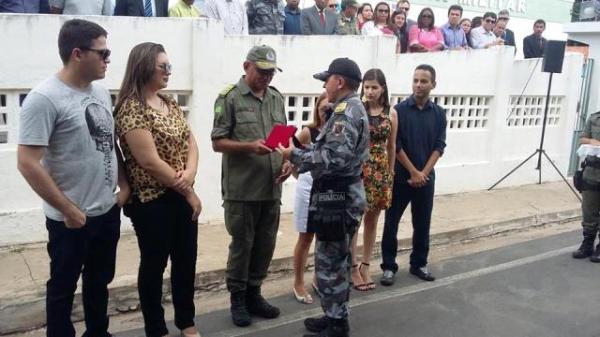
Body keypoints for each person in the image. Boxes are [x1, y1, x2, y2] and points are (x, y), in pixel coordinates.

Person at [17, 19, 128, 337]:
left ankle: (98, 332)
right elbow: (27, 162)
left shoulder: (102, 92)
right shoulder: (44, 98)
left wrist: (124, 186)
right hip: (70, 219)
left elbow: (109, 143)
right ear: (78, 53)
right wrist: (67, 209)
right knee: (63, 287)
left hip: (107, 211)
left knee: (99, 281)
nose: (108, 59)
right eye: (103, 53)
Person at [114, 42, 202, 337]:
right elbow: (149, 161)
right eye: (162, 66)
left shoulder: (170, 102)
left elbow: (191, 142)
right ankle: (155, 327)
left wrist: (189, 174)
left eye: (169, 66)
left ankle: (186, 322)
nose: (168, 71)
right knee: (154, 265)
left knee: (185, 262)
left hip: (180, 194)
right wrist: (188, 191)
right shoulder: (130, 107)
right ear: (144, 66)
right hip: (152, 201)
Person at [277, 57, 369, 337]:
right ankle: (333, 316)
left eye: (327, 80)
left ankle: (337, 325)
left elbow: (334, 159)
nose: (324, 85)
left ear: (339, 82)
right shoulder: (347, 108)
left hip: (338, 198)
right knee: (336, 260)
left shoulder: (346, 112)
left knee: (331, 263)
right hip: (341, 195)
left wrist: (293, 154)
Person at [211, 45, 292, 327]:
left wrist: (287, 162)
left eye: (271, 73)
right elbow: (217, 142)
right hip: (242, 189)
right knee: (242, 245)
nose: (266, 78)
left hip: (271, 187)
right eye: (261, 71)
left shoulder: (275, 98)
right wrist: (248, 147)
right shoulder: (229, 98)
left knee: (265, 245)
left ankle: (254, 293)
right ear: (246, 66)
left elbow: (283, 138)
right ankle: (238, 297)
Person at [380, 64, 447, 286]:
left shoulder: (439, 114)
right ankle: (388, 267)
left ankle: (419, 264)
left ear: (433, 85)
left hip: (426, 180)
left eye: (424, 81)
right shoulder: (398, 111)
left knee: (422, 223)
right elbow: (395, 146)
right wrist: (412, 172)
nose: (419, 85)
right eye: (416, 80)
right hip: (401, 178)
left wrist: (423, 174)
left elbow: (439, 146)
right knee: (391, 223)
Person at [351, 69, 397, 292]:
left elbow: (392, 146)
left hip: (380, 172)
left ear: (383, 88)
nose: (369, 91)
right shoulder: (357, 109)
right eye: (366, 87)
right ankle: (351, 267)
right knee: (355, 222)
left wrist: (390, 173)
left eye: (374, 87)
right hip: (359, 170)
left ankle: (366, 265)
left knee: (372, 221)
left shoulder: (392, 113)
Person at [291, 93, 329, 305]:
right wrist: (299, 176)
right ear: (317, 109)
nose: (326, 112)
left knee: (324, 237)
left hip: (328, 191)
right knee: (306, 237)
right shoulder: (309, 132)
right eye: (323, 108)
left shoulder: (337, 132)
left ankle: (317, 279)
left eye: (330, 108)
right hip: (308, 189)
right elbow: (290, 152)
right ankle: (298, 282)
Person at [572, 111, 600, 262]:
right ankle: (587, 244)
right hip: (591, 172)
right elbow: (582, 139)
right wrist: (592, 142)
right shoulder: (594, 118)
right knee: (589, 211)